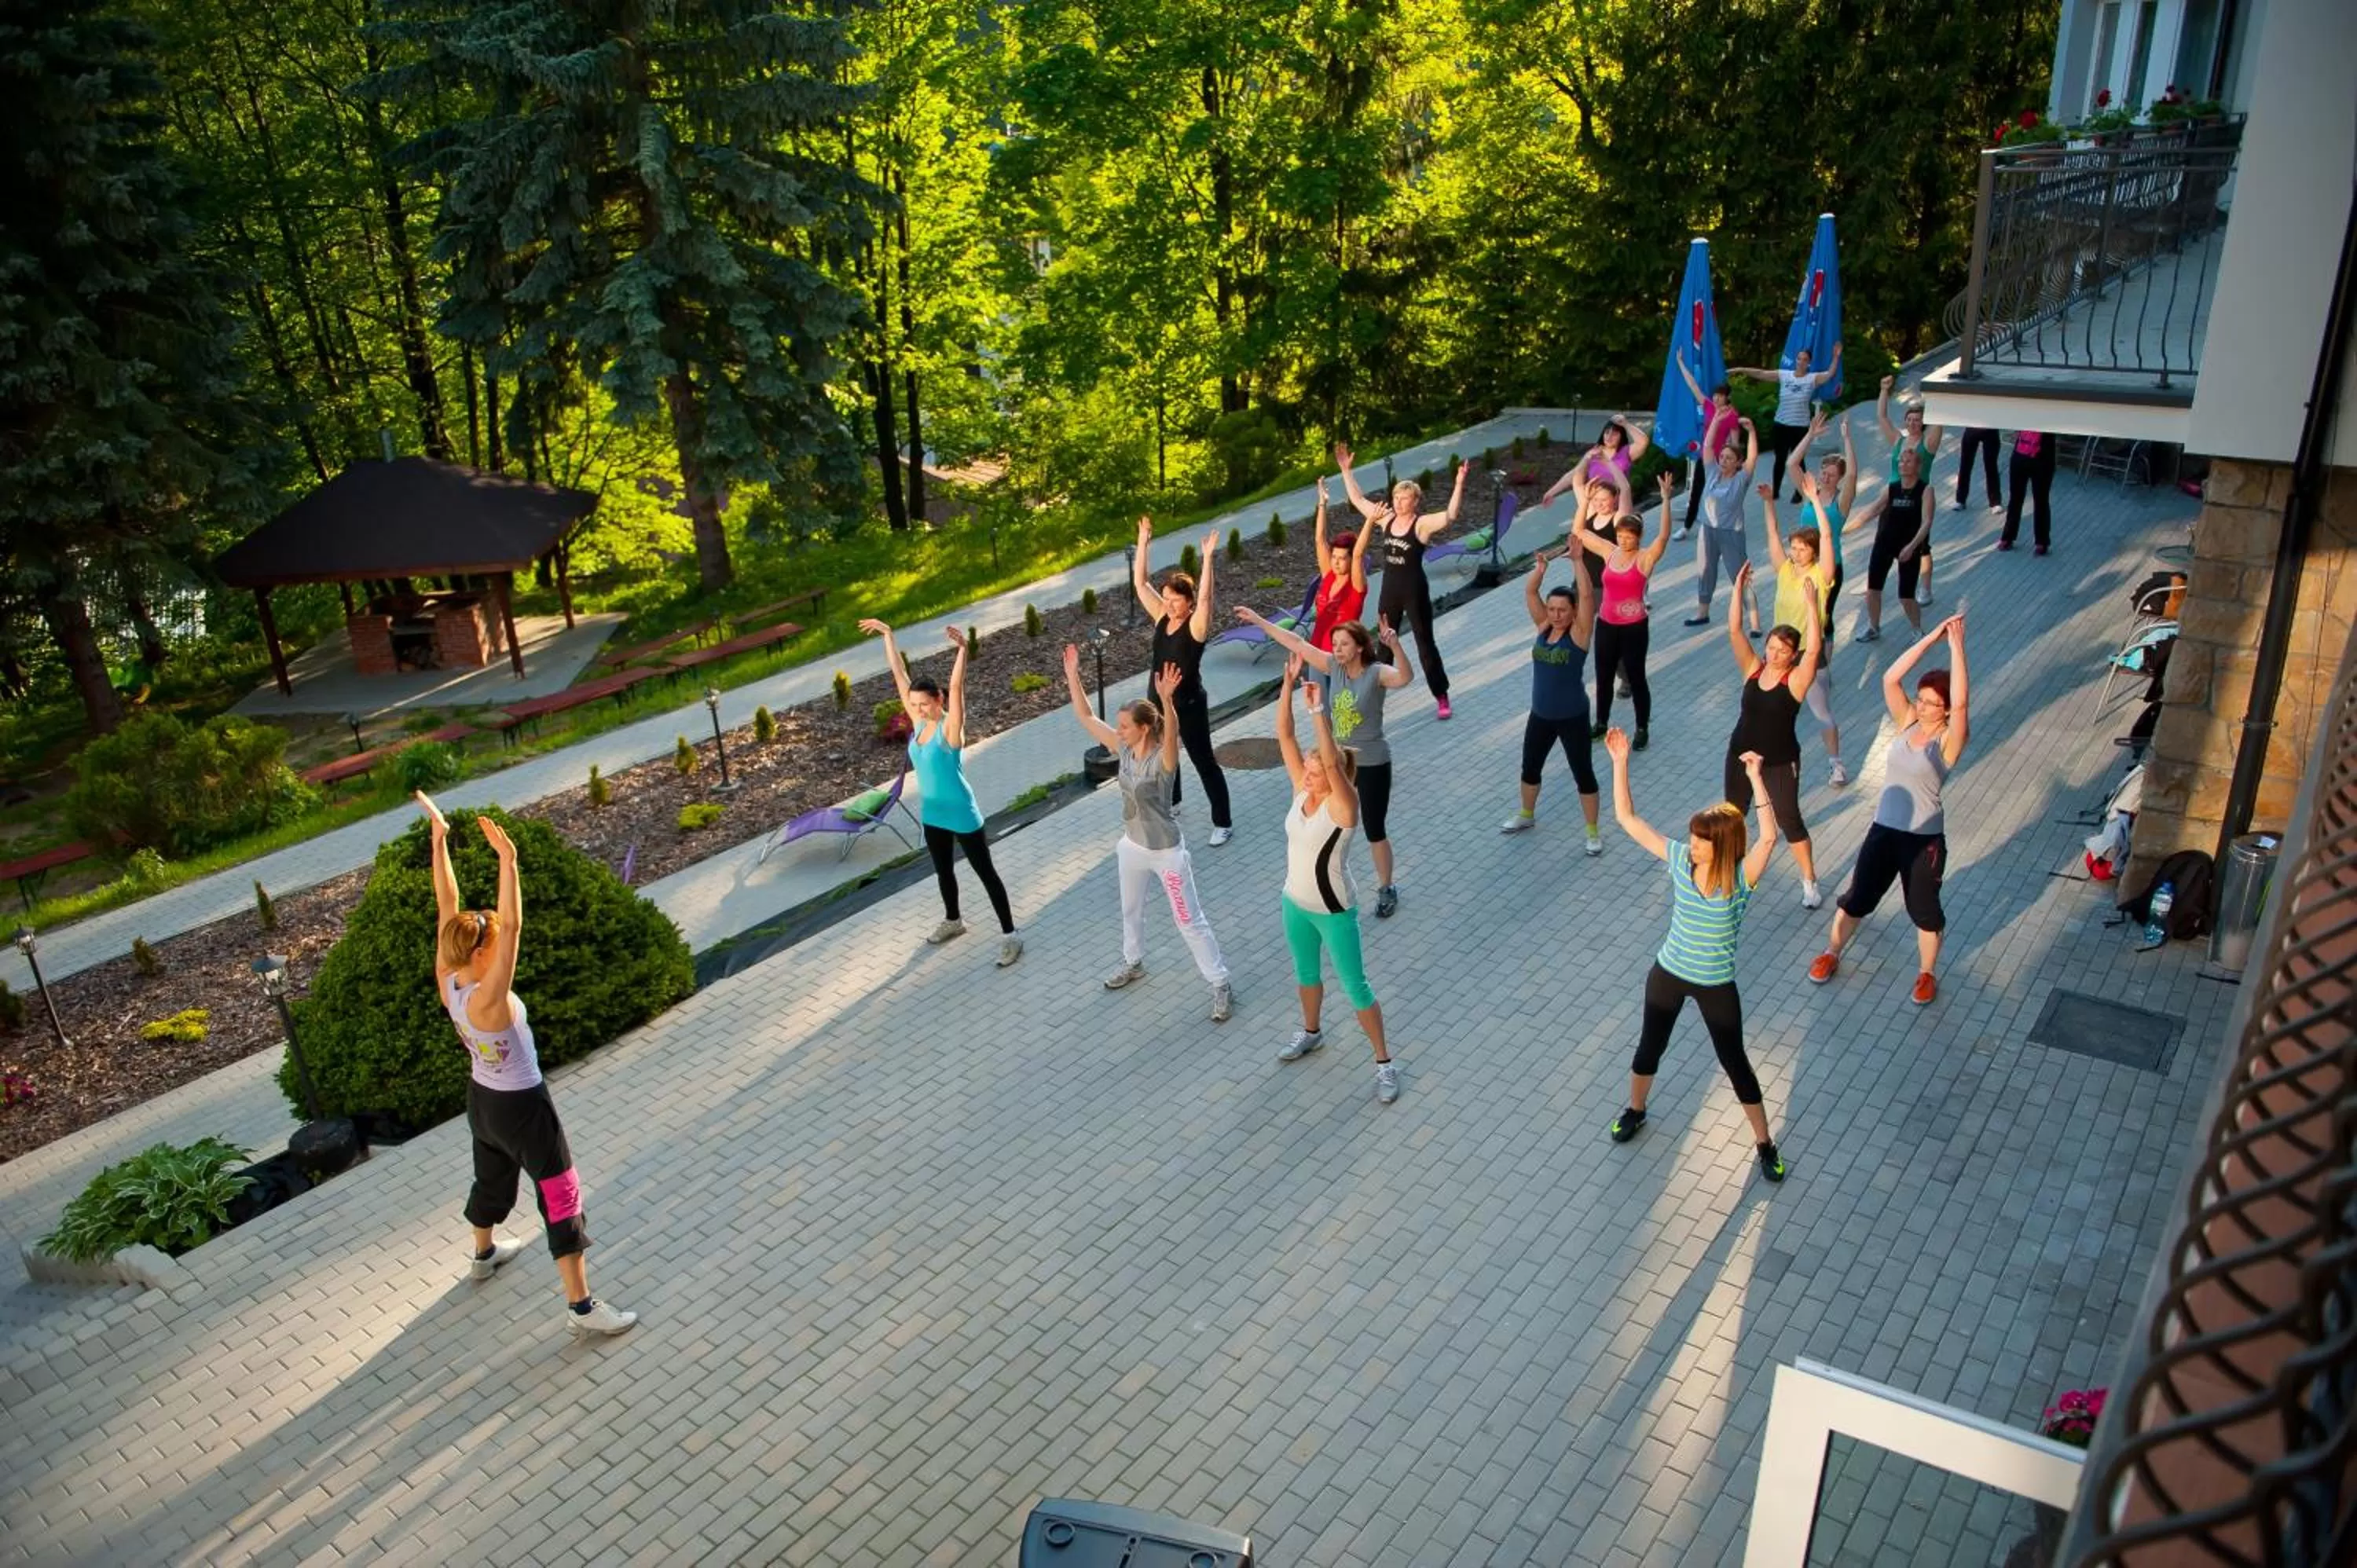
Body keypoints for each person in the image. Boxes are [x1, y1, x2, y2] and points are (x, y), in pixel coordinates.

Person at [415, 792, 636, 1338]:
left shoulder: (450, 980)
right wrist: (508, 863)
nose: (495, 928)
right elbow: (511, 926)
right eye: (489, 934)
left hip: (483, 1103)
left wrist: (440, 838)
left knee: (492, 1177)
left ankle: (484, 1253)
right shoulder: (489, 1000)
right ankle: (582, 1308)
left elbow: (447, 902)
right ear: (483, 955)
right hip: (524, 1107)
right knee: (561, 1191)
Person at [1598, 728, 1788, 1184]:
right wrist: (1620, 761)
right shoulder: (1682, 861)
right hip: (1669, 973)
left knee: (1735, 1062)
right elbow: (1627, 818)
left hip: (1716, 983)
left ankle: (1765, 1144)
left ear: (1720, 845)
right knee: (1650, 1047)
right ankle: (1635, 1110)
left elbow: (1768, 838)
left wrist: (1756, 778)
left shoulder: (1741, 880)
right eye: (1693, 837)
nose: (1693, 843)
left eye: (1702, 839)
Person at [1062, 648, 1232, 1020]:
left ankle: (1220, 983)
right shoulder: (1123, 750)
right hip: (1132, 848)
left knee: (1188, 920)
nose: (1118, 730)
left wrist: (1168, 702)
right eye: (1119, 726)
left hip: (1166, 853)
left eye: (1125, 725)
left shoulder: (1163, 761)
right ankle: (1133, 962)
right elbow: (1085, 716)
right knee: (1130, 910)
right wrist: (1073, 675)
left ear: (1143, 728)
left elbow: (1172, 737)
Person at [1809, 616, 1971, 1006]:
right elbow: (1889, 678)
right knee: (1858, 896)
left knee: (1924, 911)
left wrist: (1956, 647)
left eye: (1934, 703)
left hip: (1923, 839)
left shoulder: (1949, 741)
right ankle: (1831, 952)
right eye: (1922, 698)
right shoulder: (1907, 721)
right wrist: (1931, 637)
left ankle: (1926, 973)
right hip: (1884, 830)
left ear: (1946, 710)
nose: (1924, 706)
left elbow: (1963, 701)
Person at [1270, 657, 1400, 1104]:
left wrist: (1318, 714)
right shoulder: (1302, 790)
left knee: (1355, 986)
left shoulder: (1344, 807)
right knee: (1306, 975)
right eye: (1306, 769)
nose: (1307, 774)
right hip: (1295, 905)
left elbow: (1327, 755)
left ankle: (1384, 1063)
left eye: (1316, 770)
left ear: (1335, 775)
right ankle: (1312, 1033)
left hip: (1334, 912)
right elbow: (1284, 738)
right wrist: (1286, 689)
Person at [1231, 606, 1416, 918]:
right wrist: (1261, 622)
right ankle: (1318, 881)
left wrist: (1395, 645)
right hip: (1338, 762)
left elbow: (1405, 678)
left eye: (1344, 644)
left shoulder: (1376, 673)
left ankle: (1386, 887)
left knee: (1374, 829)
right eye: (1334, 644)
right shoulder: (1334, 668)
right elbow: (1299, 645)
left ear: (1359, 646)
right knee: (1325, 823)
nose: (1337, 649)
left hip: (1371, 763)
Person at [862, 617, 1024, 964]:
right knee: (943, 871)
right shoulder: (919, 724)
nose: (918, 709)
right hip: (933, 813)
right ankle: (954, 920)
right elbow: (897, 672)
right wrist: (889, 634)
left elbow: (958, 688)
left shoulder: (950, 731)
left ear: (938, 700)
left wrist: (963, 651)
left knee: (986, 874)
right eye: (914, 704)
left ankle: (1011, 935)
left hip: (962, 813)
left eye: (925, 703)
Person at [1722, 563, 1827, 905]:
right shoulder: (1754, 669)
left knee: (1789, 820)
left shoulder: (1795, 680)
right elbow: (1735, 630)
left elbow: (1814, 650)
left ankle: (1809, 880)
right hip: (1741, 754)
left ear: (1792, 654)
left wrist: (1812, 607)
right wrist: (1738, 588)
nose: (1775, 654)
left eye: (1783, 650)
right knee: (1734, 813)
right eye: (1771, 647)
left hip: (1779, 761)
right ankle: (1728, 872)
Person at [1337, 444, 1466, 720]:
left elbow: (1450, 516)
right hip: (1390, 590)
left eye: (1404, 498)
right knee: (1383, 644)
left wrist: (1459, 483)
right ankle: (1374, 698)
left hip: (1414, 590)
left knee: (1425, 644)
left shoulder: (1420, 525)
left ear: (1415, 501)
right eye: (1396, 496)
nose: (1398, 502)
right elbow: (1359, 501)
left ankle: (1441, 696)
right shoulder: (1386, 518)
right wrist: (1346, 471)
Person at [1130, 517, 1233, 845]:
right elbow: (1140, 583)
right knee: (1162, 753)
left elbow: (1206, 601)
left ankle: (1223, 822)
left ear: (1187, 603)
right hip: (1158, 702)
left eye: (1176, 599)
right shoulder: (1163, 617)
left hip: (1187, 704)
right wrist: (1144, 542)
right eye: (1167, 598)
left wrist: (1208, 560)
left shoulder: (1196, 626)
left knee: (1203, 760)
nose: (1170, 604)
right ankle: (1172, 802)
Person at [1500, 544, 1603, 855]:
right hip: (1541, 715)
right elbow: (1531, 594)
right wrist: (1540, 570)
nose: (1556, 614)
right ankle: (1527, 815)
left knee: (1582, 772)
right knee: (1530, 766)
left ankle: (1593, 832)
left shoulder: (1580, 634)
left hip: (1572, 716)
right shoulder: (1544, 626)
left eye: (1562, 610)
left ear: (1573, 613)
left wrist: (1578, 561)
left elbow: (1586, 596)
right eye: (1552, 609)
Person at [1761, 426, 1849, 786]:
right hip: (1781, 654)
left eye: (1801, 548)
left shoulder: (1822, 575)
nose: (1795, 552)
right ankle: (1767, 765)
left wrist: (1814, 499)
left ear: (1812, 552)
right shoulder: (1784, 570)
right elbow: (1771, 537)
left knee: (1821, 711)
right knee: (1774, 712)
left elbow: (1827, 534)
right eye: (1793, 547)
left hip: (1810, 654)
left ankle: (1836, 762)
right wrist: (1769, 503)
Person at [1574, 471, 1674, 746]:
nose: (1624, 541)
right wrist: (1585, 501)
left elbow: (1664, 536)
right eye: (1621, 536)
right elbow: (1579, 532)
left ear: (1639, 538)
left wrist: (1666, 499)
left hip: (1634, 627)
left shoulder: (1644, 559)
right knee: (1603, 677)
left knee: (1636, 677)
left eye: (1629, 537)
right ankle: (1601, 722)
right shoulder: (1610, 551)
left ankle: (1642, 728)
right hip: (1607, 624)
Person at [1731, 343, 1842, 499]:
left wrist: (1836, 357)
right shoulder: (1784, 375)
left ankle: (1800, 490)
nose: (1801, 362)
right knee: (1780, 459)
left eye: (1805, 360)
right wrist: (1741, 369)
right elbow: (1762, 373)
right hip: (1781, 424)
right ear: (1796, 360)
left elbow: (1830, 374)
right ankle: (1775, 491)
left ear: (1808, 363)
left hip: (1800, 426)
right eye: (1799, 359)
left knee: (1798, 460)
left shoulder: (1812, 379)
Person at [1848, 442, 1934, 642]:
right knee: (1873, 590)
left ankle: (1918, 631)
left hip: (1908, 548)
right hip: (1884, 544)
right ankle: (1874, 627)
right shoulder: (1891, 489)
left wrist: (1912, 547)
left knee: (1906, 596)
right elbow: (1873, 510)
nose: (1903, 464)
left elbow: (1927, 521)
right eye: (1901, 461)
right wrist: (1847, 528)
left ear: (1918, 467)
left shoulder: (1925, 490)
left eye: (1909, 461)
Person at [1685, 415, 1761, 630]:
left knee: (1739, 576)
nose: (1724, 460)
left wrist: (1752, 432)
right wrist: (1717, 421)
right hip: (1707, 530)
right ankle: (1703, 612)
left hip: (1731, 534)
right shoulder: (1712, 473)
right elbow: (1708, 446)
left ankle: (1755, 623)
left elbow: (1753, 458)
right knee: (1705, 570)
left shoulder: (1741, 480)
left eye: (1729, 458)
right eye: (1722, 456)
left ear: (1738, 463)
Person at [1877, 376, 1945, 606]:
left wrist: (1936, 396)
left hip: (1917, 498)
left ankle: (1925, 588)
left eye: (1918, 420)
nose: (1913, 423)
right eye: (1910, 419)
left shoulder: (1928, 443)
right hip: (1893, 497)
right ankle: (1877, 580)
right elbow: (1882, 417)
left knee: (1922, 547)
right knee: (1884, 539)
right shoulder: (1898, 441)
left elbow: (1940, 420)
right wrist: (1884, 391)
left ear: (1924, 422)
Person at [1673, 354, 1743, 539]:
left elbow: (1735, 441)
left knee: (1718, 495)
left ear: (1727, 398)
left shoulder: (1732, 416)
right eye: (1715, 395)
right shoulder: (1709, 406)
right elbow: (1693, 385)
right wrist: (1680, 362)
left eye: (1720, 396)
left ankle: (1724, 525)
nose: (1717, 398)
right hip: (1706, 458)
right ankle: (1687, 527)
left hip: (1723, 462)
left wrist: (1737, 464)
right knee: (1697, 491)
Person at [1307, 478, 1372, 649]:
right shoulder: (1329, 576)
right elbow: (1320, 540)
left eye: (1342, 558)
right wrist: (1322, 504)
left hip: (1344, 656)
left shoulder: (1356, 586)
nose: (1335, 562)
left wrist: (1370, 521)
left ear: (1351, 561)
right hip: (1317, 650)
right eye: (1334, 557)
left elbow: (1358, 554)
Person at [2001, 429, 2056, 555]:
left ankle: (2042, 542)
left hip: (2042, 459)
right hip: (2020, 455)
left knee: (2041, 500)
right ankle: (2008, 537)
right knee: (2015, 499)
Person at [1954, 425, 2002, 510]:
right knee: (1965, 465)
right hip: (1972, 428)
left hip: (1991, 429)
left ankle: (1995, 502)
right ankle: (1960, 500)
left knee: (1991, 466)